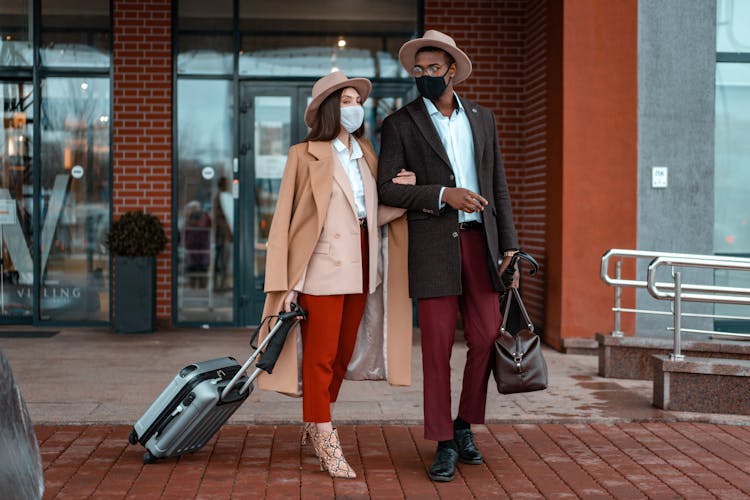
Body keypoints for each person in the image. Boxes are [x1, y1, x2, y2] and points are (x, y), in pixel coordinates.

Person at [377, 30, 520, 482]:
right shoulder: (399, 123)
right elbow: (385, 189)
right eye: (418, 71)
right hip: (433, 246)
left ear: (452, 71)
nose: (425, 77)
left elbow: (497, 185)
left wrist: (511, 247)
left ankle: (463, 424)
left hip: (482, 244)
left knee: (485, 338)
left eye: (433, 69)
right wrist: (442, 194)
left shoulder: (482, 118)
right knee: (437, 349)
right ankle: (442, 440)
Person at [259, 71, 415, 479]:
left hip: (365, 266)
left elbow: (371, 213)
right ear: (330, 108)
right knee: (320, 358)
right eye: (345, 100)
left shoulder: (366, 151)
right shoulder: (303, 154)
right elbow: (286, 221)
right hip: (321, 269)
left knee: (343, 355)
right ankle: (327, 441)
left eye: (355, 100)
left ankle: (314, 421)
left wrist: (407, 197)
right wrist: (288, 283)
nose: (354, 107)